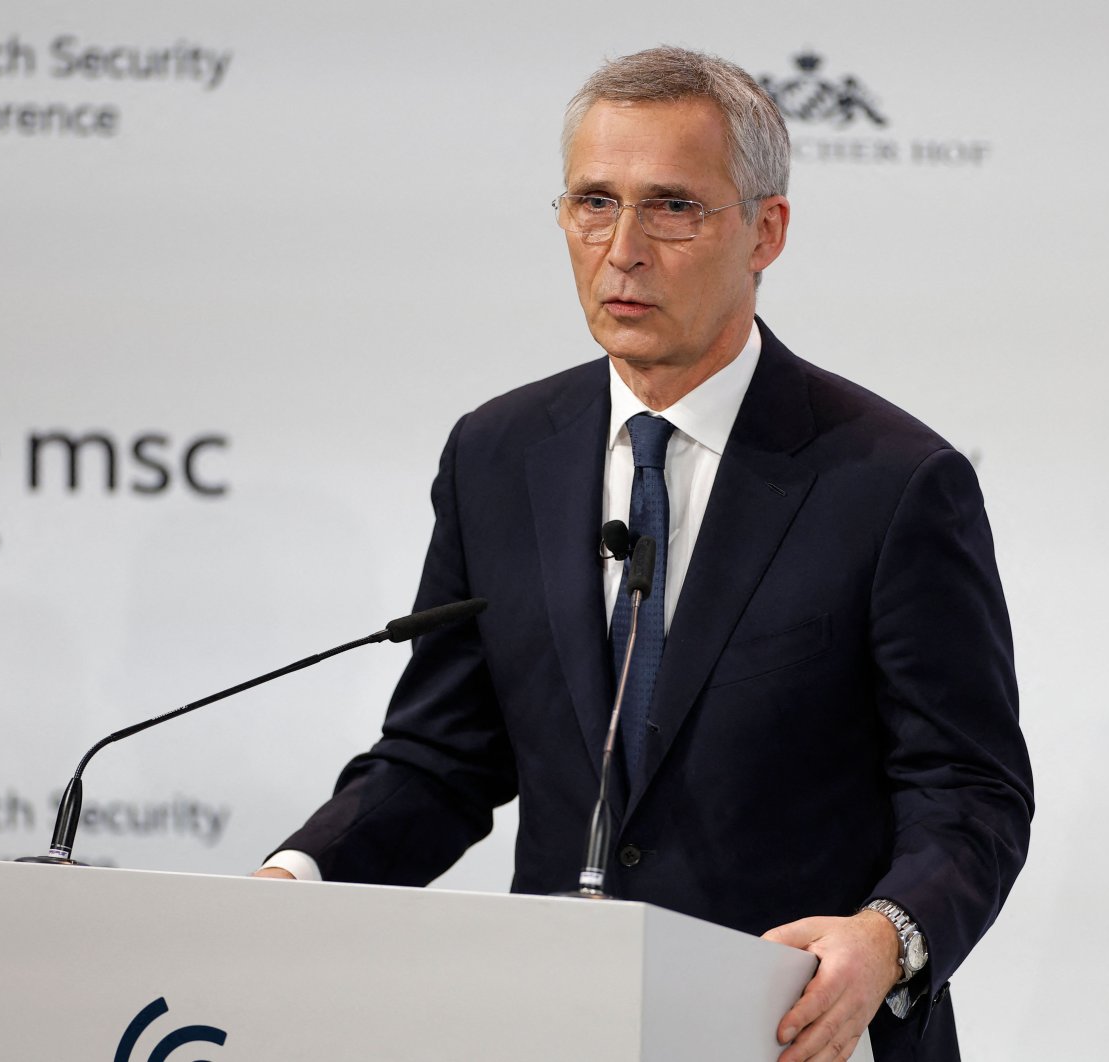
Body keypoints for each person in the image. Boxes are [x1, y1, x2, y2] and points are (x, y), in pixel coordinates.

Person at [255, 46, 1032, 1062]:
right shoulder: (497, 455)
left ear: (766, 231)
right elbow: (440, 759)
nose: (621, 249)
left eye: (671, 207)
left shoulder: (890, 480)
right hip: (555, 1028)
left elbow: (966, 789)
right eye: (592, 202)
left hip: (795, 1034)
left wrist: (885, 938)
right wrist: (296, 883)